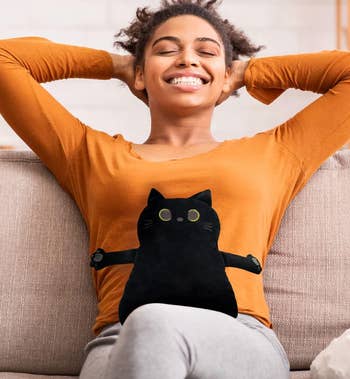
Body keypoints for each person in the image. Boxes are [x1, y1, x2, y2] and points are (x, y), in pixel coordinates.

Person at [0, 0, 349, 378]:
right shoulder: (90, 154)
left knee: (154, 323)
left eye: (206, 52)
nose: (187, 59)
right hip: (118, 340)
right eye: (166, 50)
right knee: (147, 325)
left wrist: (247, 72)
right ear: (140, 74)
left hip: (236, 335)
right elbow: (5, 61)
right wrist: (118, 65)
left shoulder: (275, 152)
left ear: (225, 74)